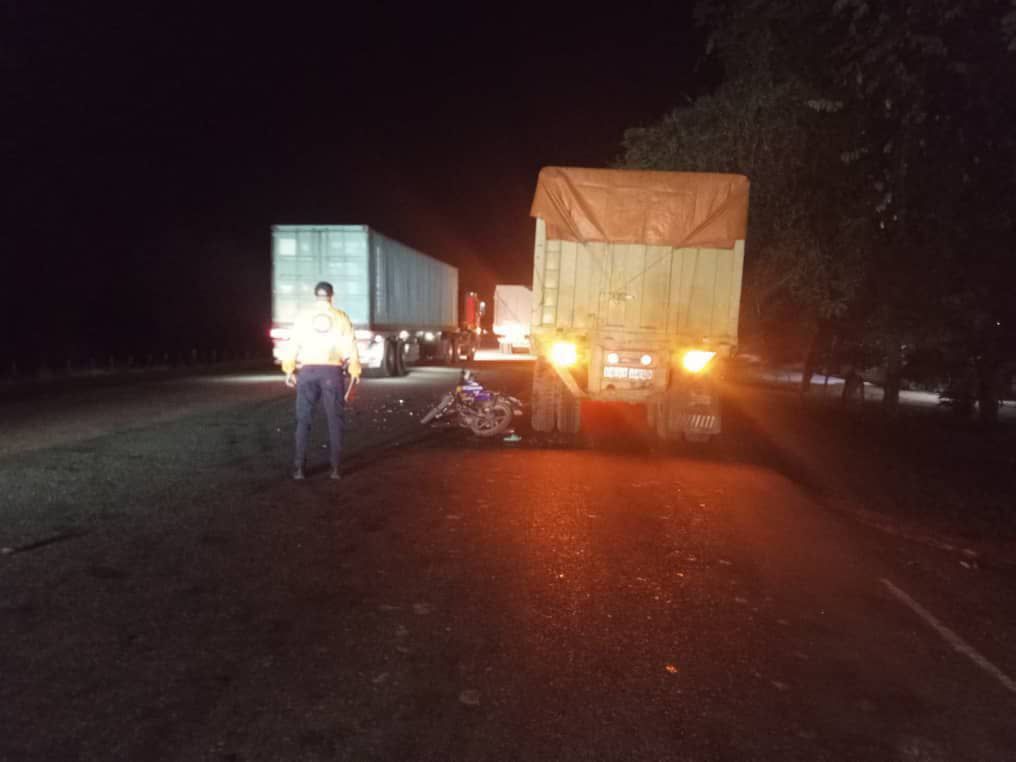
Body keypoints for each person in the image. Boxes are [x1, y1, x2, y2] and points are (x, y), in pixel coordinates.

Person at [279, 281, 362, 480]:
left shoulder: (303, 317)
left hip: (308, 371)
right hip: (332, 372)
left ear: (315, 296)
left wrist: (289, 370)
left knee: (303, 420)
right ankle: (335, 469)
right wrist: (354, 371)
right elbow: (351, 347)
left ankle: (299, 469)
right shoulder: (340, 317)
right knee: (335, 420)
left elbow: (293, 344)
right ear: (332, 296)